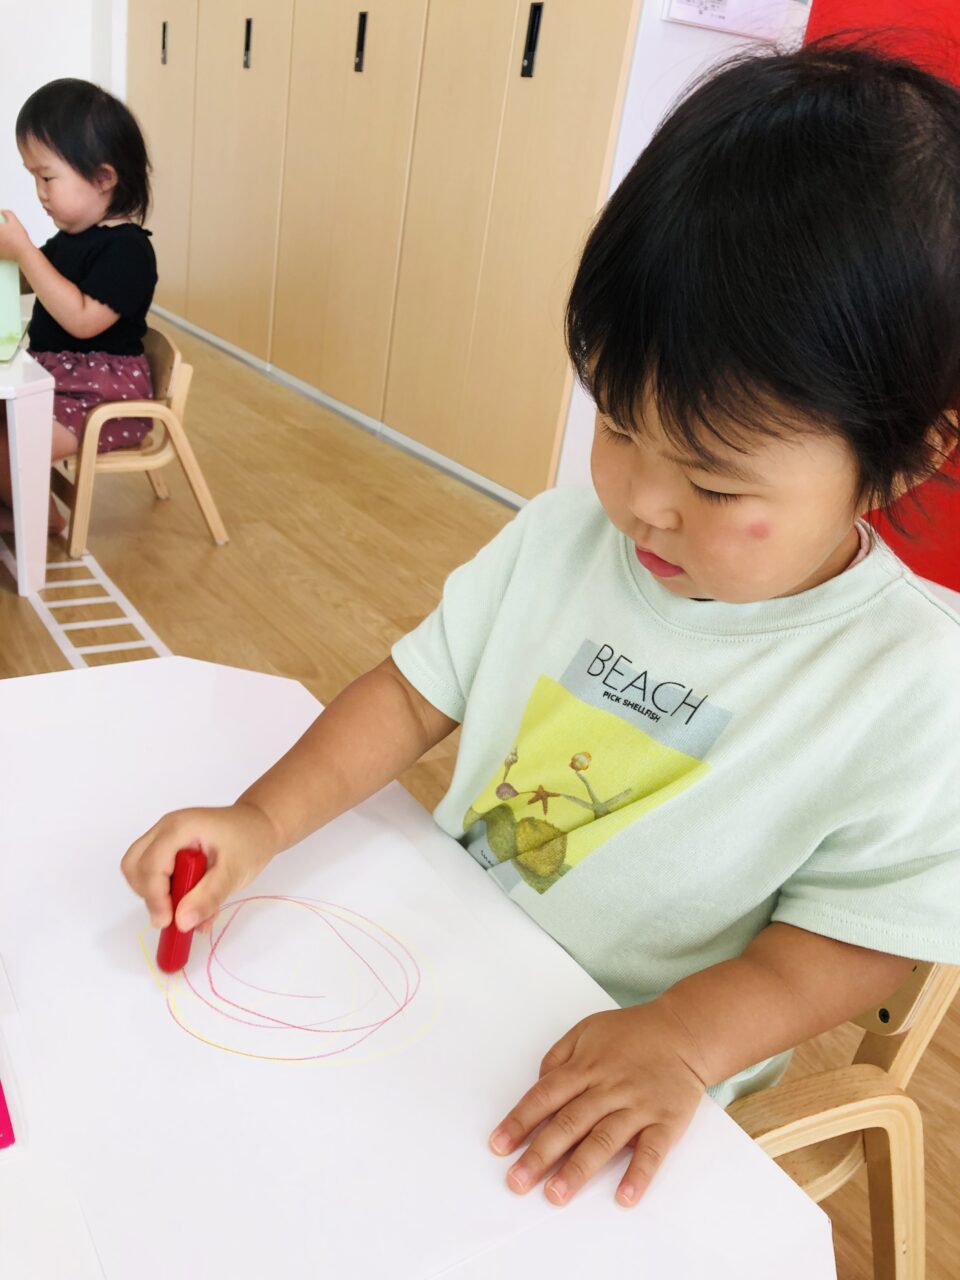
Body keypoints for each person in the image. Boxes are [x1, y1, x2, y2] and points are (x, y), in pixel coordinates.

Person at [121, 43, 960, 1210]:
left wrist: (682, 1037)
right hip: (441, 964)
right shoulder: (566, 534)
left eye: (715, 483)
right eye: (617, 423)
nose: (642, 501)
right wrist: (259, 819)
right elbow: (411, 691)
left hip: (618, 1075)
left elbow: (865, 934)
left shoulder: (909, 682)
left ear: (906, 455)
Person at [0, 78, 157, 533]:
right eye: (33, 177)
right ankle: (20, 506)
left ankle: (43, 520)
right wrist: (14, 257)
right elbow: (33, 282)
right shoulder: (70, 239)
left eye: (47, 177)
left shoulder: (128, 250)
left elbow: (82, 320)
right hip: (58, 382)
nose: (39, 191)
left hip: (104, 398)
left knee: (12, 445)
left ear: (104, 178)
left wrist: (24, 251)